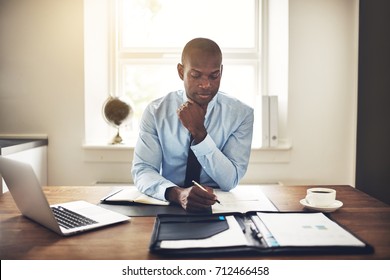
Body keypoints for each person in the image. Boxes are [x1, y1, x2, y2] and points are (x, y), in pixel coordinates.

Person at [131, 38, 254, 212]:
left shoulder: (241, 114)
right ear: (181, 72)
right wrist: (178, 194)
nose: (206, 85)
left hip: (218, 206)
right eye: (195, 75)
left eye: (214, 75)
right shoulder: (156, 112)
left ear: (221, 71)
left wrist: (200, 133)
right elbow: (143, 170)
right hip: (169, 201)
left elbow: (230, 180)